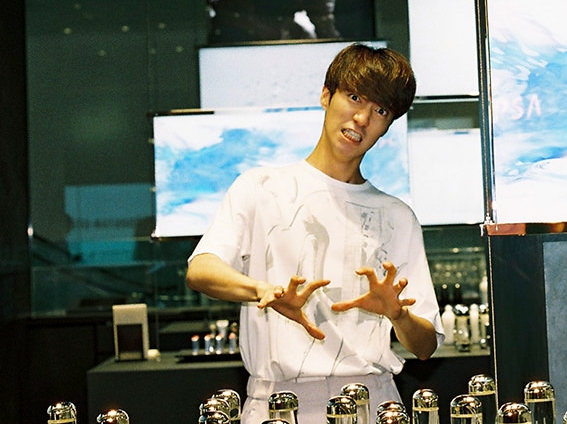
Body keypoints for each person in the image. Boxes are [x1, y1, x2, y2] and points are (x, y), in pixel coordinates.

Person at [186, 43, 443, 424]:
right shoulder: (261, 187)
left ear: (389, 125)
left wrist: (397, 314)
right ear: (326, 95)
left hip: (372, 403)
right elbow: (201, 270)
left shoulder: (396, 216)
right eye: (354, 97)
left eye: (380, 110)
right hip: (275, 403)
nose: (361, 118)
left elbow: (425, 346)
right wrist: (262, 291)